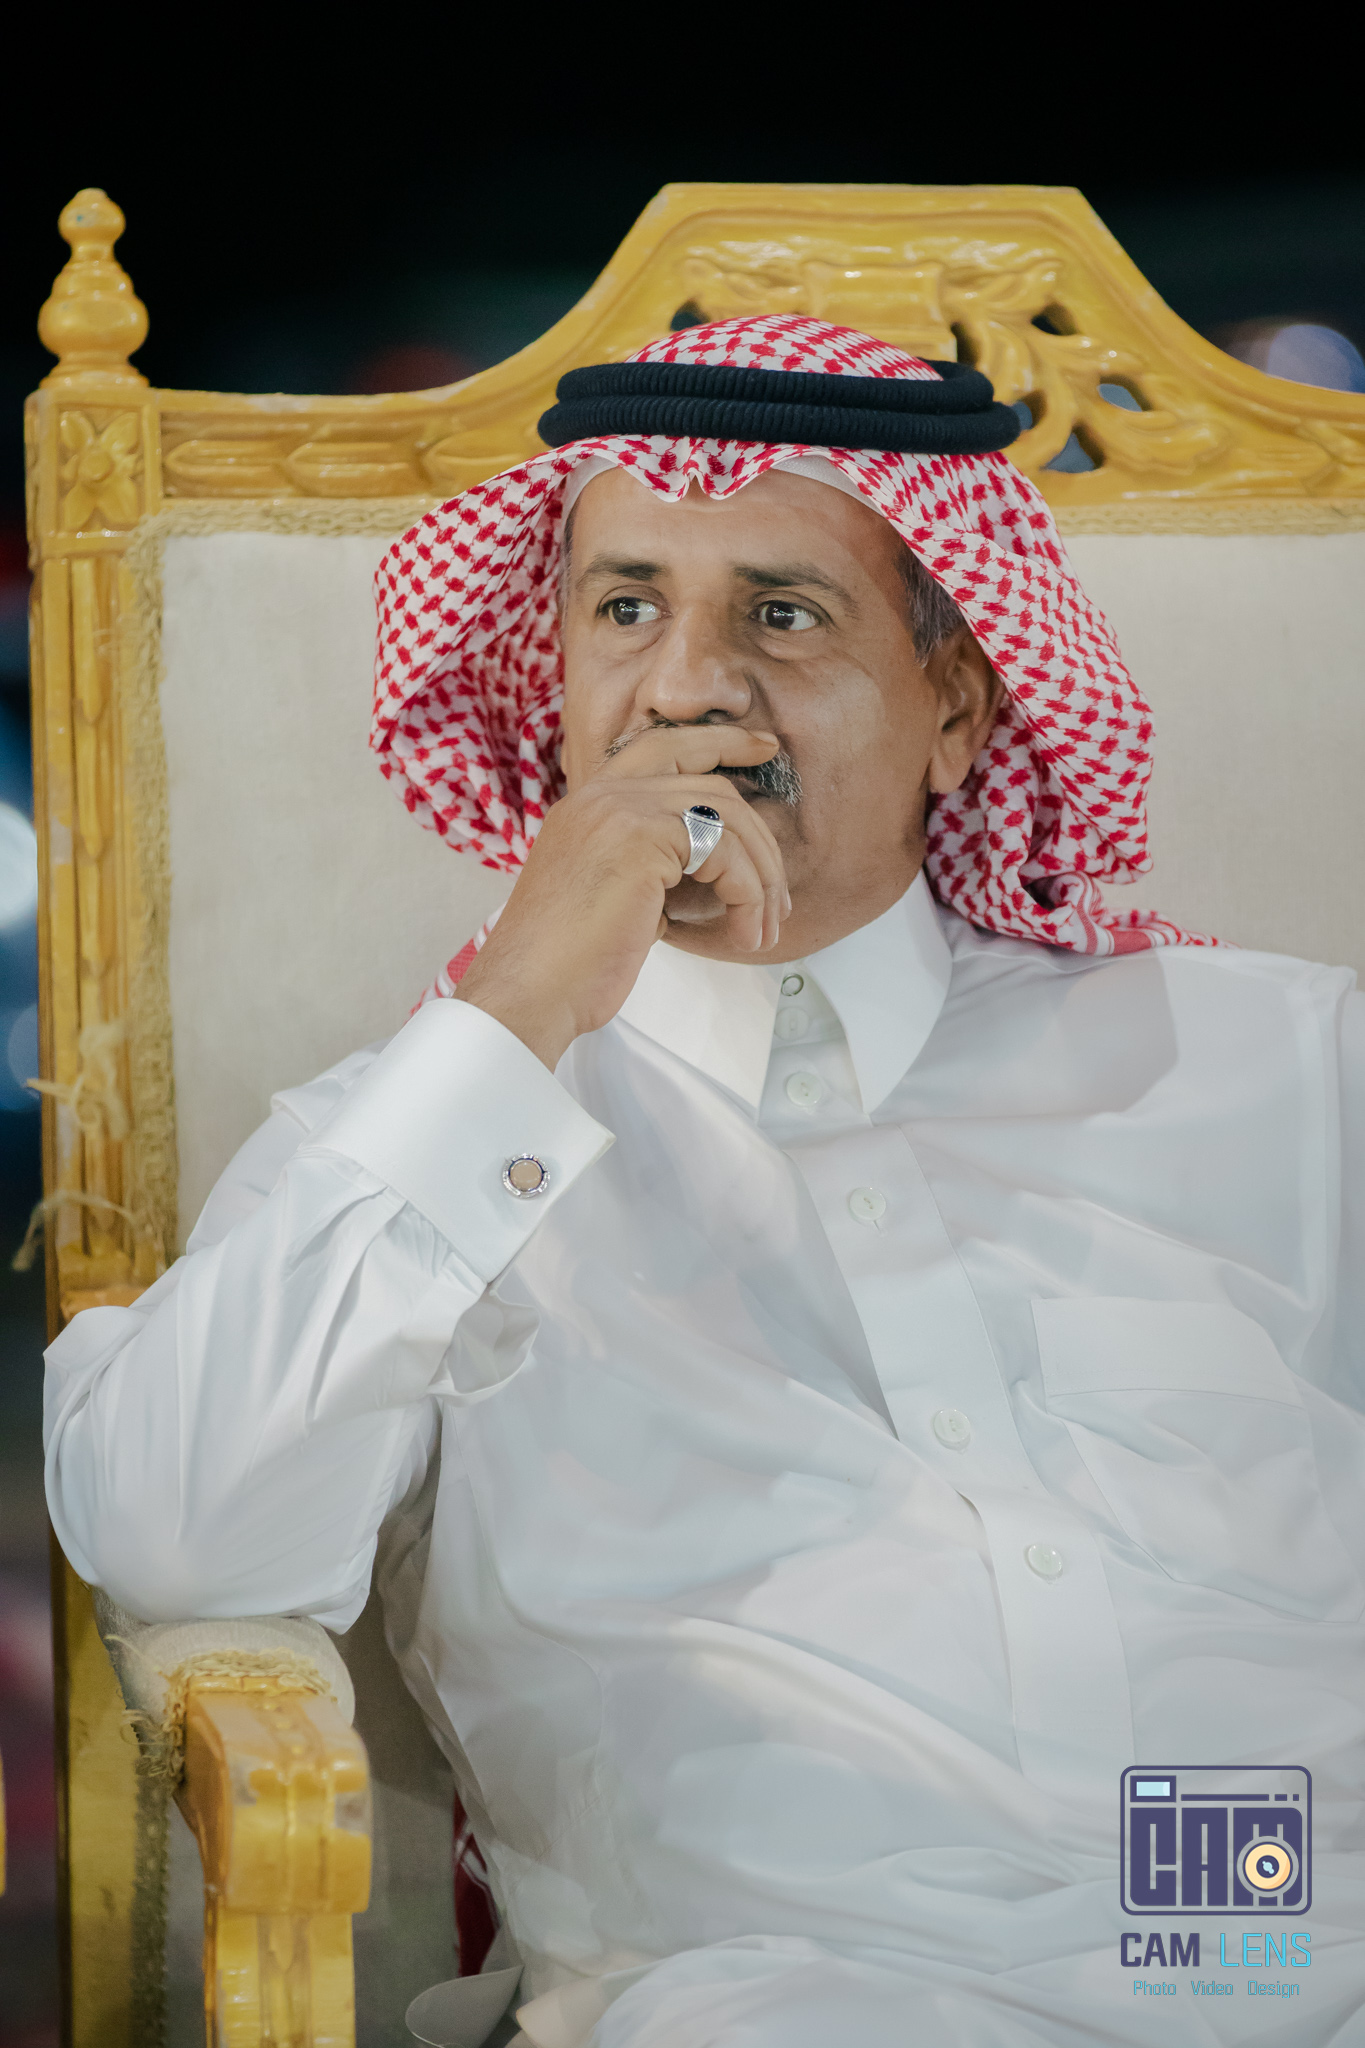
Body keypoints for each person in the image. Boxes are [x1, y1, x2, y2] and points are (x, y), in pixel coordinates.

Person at [44, 318, 1365, 2046]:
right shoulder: (416, 1148)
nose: (683, 689)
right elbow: (168, 1535)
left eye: (781, 614)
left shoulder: (1281, 1063)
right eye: (623, 609)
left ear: (958, 708)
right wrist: (518, 1008)